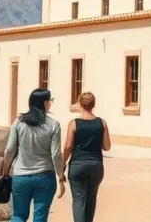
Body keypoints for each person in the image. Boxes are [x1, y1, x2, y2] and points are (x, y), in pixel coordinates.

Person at [3, 89, 65, 222]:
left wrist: (5, 170)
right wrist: (60, 176)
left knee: (18, 215)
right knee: (40, 218)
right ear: (45, 103)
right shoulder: (54, 125)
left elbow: (9, 149)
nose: (50, 104)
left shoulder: (18, 122)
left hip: (20, 177)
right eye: (50, 101)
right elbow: (55, 154)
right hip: (45, 176)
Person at [62, 92, 110, 222]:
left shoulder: (74, 123)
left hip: (78, 164)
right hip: (96, 164)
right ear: (93, 104)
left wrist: (63, 162)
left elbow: (68, 146)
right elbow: (107, 146)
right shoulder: (102, 123)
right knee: (91, 198)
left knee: (79, 199)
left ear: (80, 104)